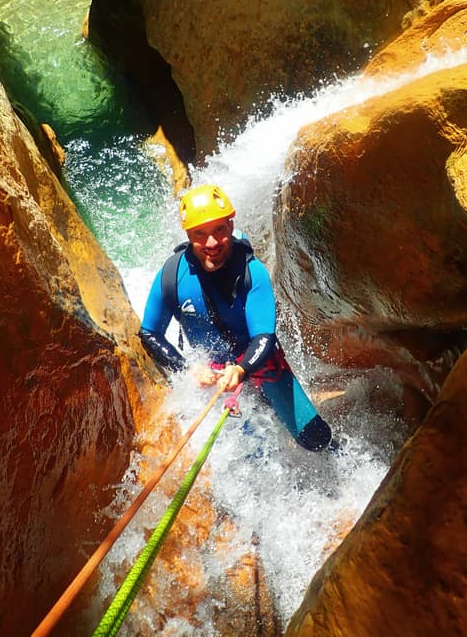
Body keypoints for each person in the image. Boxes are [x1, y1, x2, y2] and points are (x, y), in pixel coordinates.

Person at [139, 184, 337, 452]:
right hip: (214, 376)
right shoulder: (172, 275)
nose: (211, 243)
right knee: (250, 456)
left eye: (219, 230)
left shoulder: (251, 272)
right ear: (188, 234)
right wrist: (188, 368)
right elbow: (149, 333)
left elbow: (264, 337)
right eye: (200, 234)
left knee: (316, 440)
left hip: (260, 364)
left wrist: (242, 369)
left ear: (231, 226)